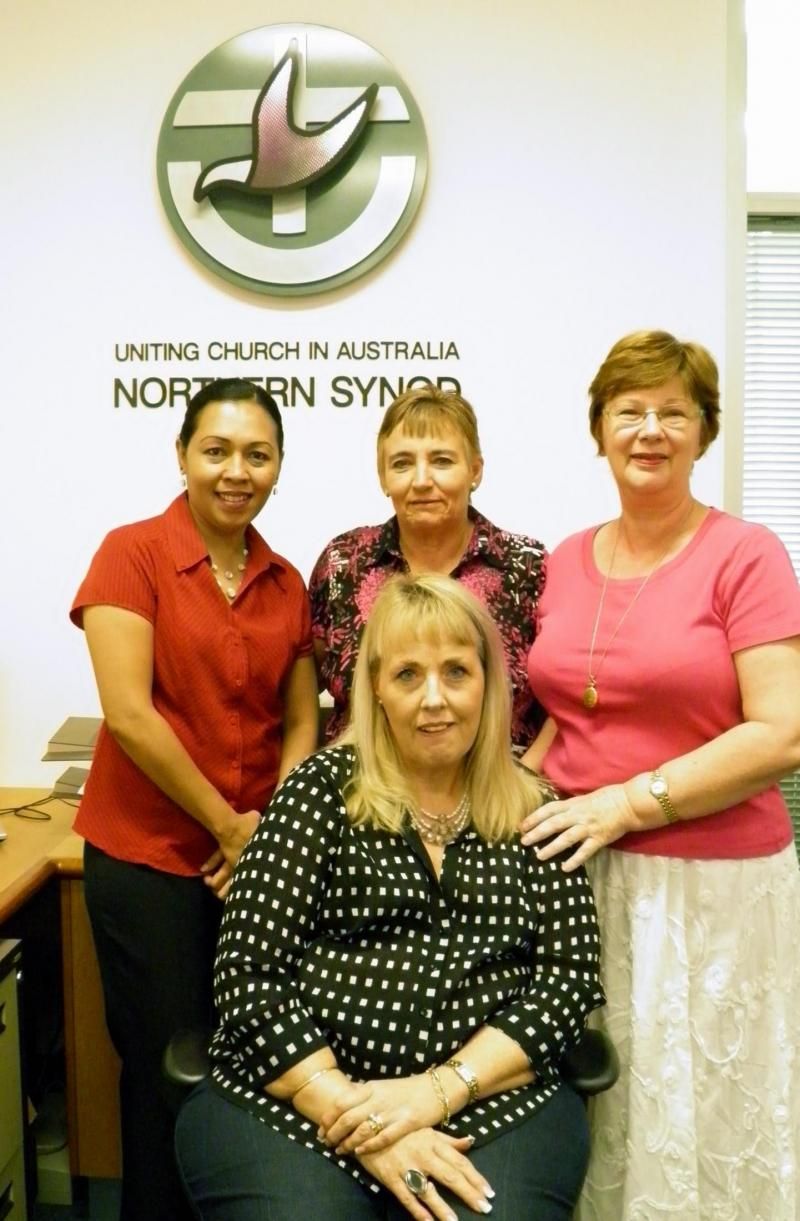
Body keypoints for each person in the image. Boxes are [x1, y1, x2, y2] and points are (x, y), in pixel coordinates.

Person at [175, 574, 604, 1221]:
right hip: (298, 1097)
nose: (434, 698)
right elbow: (250, 976)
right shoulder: (317, 793)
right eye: (408, 675)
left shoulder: (535, 808)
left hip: (492, 1102)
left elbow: (566, 982)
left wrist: (433, 1094)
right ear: (376, 687)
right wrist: (366, 1118)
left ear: (489, 682)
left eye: (456, 671)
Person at [521, 330, 800, 1220]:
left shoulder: (746, 555)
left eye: (673, 413)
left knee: (707, 1100)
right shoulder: (563, 558)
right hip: (582, 870)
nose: (649, 429)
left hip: (712, 885)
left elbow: (784, 731)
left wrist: (629, 802)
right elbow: (571, 707)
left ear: (704, 433)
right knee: (608, 1099)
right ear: (598, 429)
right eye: (629, 411)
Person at [70, 377, 319, 1221]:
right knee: (166, 1076)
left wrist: (267, 837)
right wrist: (229, 827)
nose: (235, 469)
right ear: (182, 456)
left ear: (279, 467)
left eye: (257, 453)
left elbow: (299, 724)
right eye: (216, 450)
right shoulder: (130, 553)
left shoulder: (287, 582)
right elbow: (129, 715)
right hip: (149, 862)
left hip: (249, 867)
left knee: (251, 1073)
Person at [309, 386, 546, 749]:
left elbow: (564, 703)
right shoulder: (343, 562)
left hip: (501, 794)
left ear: (475, 470)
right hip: (358, 792)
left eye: (441, 461)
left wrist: (525, 788)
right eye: (402, 463)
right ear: (383, 475)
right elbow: (303, 690)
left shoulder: (528, 567)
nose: (421, 481)